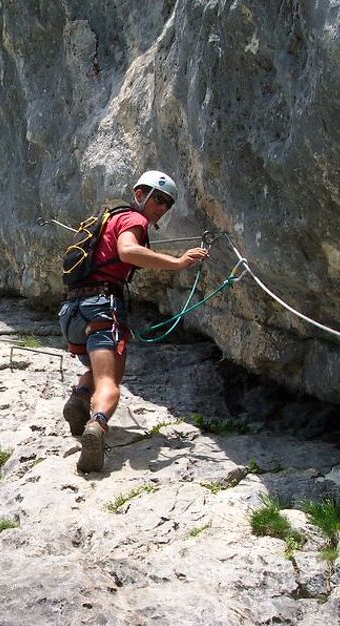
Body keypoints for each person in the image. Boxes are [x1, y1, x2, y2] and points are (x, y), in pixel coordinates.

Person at [58, 170, 209, 473]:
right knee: (110, 380)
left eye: (168, 204)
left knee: (96, 367)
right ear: (141, 194)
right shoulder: (134, 220)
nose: (163, 209)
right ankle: (97, 424)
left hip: (73, 310)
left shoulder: (108, 221)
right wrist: (178, 263)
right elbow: (127, 252)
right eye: (160, 200)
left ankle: (79, 398)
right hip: (102, 306)